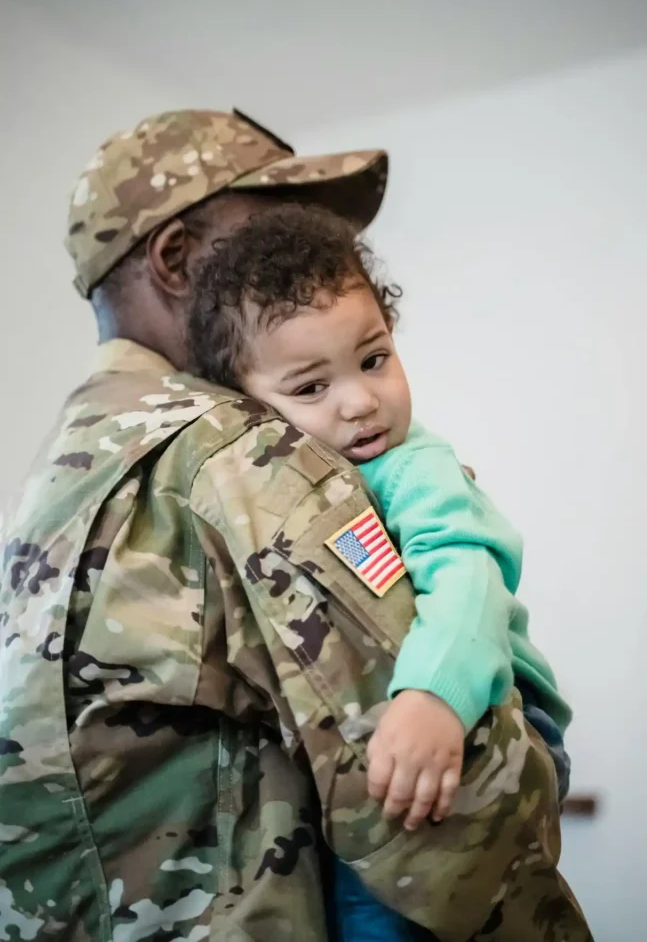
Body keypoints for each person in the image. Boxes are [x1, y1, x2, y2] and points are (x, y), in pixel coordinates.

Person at [0, 108, 592, 942]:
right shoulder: (237, 452)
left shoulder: (61, 473)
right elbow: (440, 814)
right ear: (176, 260)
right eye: (265, 237)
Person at [186, 204, 573, 941]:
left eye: (373, 359)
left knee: (381, 909)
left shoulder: (411, 464)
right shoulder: (277, 486)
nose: (361, 401)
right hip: (405, 724)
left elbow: (466, 574)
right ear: (244, 408)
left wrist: (437, 697)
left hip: (492, 709)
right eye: (310, 388)